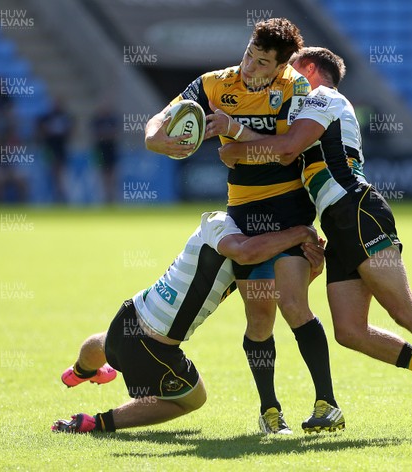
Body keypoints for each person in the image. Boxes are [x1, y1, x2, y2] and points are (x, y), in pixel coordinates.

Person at [219, 47, 412, 439]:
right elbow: (280, 147)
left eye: (292, 68)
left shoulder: (322, 97)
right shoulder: (309, 108)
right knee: (350, 330)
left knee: (403, 308)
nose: (286, 77)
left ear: (311, 69)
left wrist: (233, 147)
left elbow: (284, 150)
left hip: (357, 209)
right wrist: (235, 136)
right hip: (338, 220)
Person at [144, 18, 343, 434]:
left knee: (294, 305)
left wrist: (235, 137)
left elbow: (287, 154)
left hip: (291, 212)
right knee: (259, 319)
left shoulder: (295, 89)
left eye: (262, 63)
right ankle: (270, 412)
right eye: (249, 55)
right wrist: (155, 139)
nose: (249, 67)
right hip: (245, 215)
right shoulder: (215, 84)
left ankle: (327, 403)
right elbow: (161, 119)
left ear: (280, 67)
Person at [51, 211, 324, 433]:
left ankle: (80, 372)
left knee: (105, 342)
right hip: (153, 347)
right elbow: (246, 253)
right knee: (193, 398)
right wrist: (300, 233)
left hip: (132, 312)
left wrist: (310, 269)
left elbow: (279, 296)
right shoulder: (220, 224)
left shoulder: (254, 246)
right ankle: (96, 423)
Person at [36, 98, 74, 203]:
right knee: (52, 172)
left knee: (60, 173)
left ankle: (60, 195)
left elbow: (70, 131)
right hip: (49, 148)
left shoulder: (65, 117)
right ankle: (57, 195)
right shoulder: (46, 117)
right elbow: (40, 130)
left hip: (61, 148)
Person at [91, 102, 119, 204]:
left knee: (112, 174)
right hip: (100, 150)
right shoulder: (97, 120)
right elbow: (95, 134)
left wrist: (105, 135)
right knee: (101, 174)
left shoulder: (112, 119)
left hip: (111, 149)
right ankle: (103, 198)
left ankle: (112, 197)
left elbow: (114, 134)